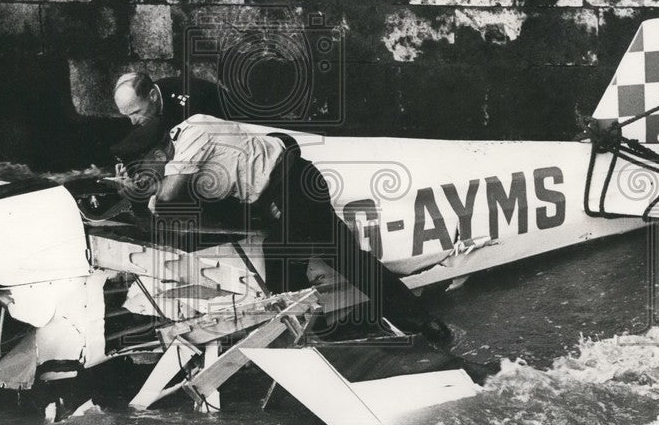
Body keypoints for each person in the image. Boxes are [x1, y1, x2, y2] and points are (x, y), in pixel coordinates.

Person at [146, 114, 453, 345]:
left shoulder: (191, 140)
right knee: (348, 260)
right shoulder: (194, 128)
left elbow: (168, 196)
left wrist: (150, 196)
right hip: (299, 182)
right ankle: (425, 324)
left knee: (283, 258)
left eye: (150, 164)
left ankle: (305, 342)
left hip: (291, 190)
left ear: (161, 153)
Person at [110, 72, 229, 170]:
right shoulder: (149, 97)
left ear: (153, 96)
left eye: (136, 112)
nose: (133, 121)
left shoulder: (189, 104)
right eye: (128, 115)